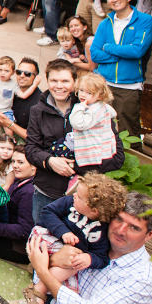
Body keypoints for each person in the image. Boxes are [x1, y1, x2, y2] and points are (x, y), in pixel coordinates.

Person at [28, 192, 152, 304]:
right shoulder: (92, 241)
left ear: (149, 235)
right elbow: (43, 269)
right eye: (119, 219)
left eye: (134, 227)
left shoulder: (143, 278)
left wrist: (43, 271)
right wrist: (54, 260)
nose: (121, 230)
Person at [22, 173, 127, 304]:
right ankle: (37, 290)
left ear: (94, 210)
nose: (74, 196)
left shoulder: (103, 232)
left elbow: (101, 257)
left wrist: (89, 258)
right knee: (73, 258)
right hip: (44, 238)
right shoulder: (69, 203)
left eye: (79, 196)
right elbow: (47, 212)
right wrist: (64, 232)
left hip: (67, 262)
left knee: (70, 293)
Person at [25, 60, 124, 221]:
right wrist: (49, 161)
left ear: (74, 82)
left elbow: (117, 157)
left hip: (84, 196)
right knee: (43, 237)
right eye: (54, 81)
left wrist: (76, 165)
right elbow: (31, 148)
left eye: (65, 81)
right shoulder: (38, 111)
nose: (59, 86)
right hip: (47, 191)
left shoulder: (95, 110)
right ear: (47, 81)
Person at [89, 0, 152, 139]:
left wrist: (109, 47)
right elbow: (95, 54)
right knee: (99, 129)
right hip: (103, 83)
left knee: (128, 130)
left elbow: (137, 51)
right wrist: (122, 53)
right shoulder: (106, 23)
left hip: (129, 86)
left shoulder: (144, 21)